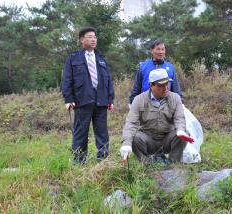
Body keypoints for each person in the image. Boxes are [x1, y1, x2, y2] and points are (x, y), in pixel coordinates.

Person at [62, 27, 114, 164]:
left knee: (102, 133)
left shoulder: (101, 58)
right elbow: (67, 80)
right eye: (90, 37)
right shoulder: (73, 58)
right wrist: (68, 99)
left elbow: (108, 79)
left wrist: (110, 98)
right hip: (82, 101)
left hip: (101, 101)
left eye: (95, 37)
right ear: (82, 39)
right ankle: (79, 161)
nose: (93, 39)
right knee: (80, 133)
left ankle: (103, 161)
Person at [120, 68, 194, 164]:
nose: (165, 88)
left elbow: (179, 118)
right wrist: (126, 144)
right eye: (160, 85)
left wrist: (180, 130)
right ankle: (146, 165)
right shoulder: (139, 99)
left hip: (167, 139)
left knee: (183, 134)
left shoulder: (175, 98)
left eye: (167, 83)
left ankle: (174, 164)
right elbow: (131, 123)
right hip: (148, 140)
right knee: (134, 137)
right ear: (151, 85)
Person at [129, 39, 182, 105]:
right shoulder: (143, 66)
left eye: (163, 49)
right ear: (151, 50)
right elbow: (136, 88)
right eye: (158, 49)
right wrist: (132, 103)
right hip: (146, 105)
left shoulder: (170, 67)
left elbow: (176, 89)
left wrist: (179, 103)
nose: (161, 52)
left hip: (166, 105)